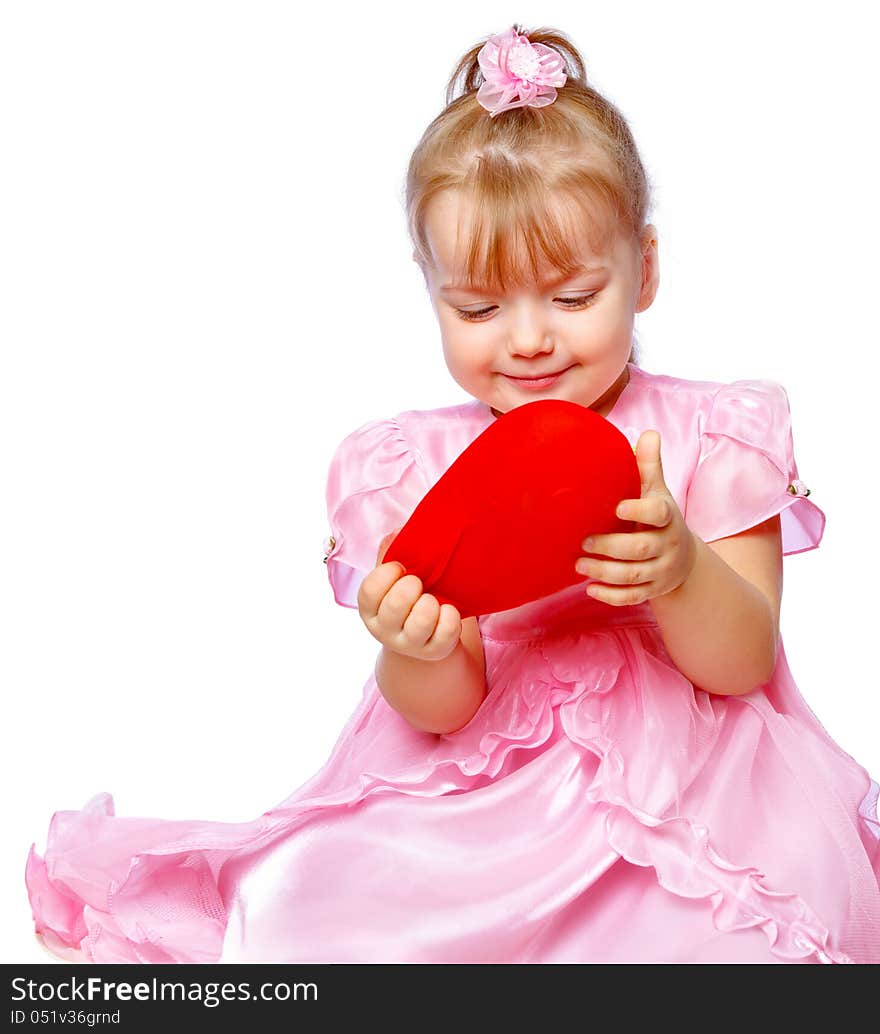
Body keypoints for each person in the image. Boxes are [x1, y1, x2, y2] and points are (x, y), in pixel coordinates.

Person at [25, 23, 880, 965]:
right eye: (478, 307)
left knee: (725, 923)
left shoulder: (714, 432)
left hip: (693, 779)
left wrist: (680, 570)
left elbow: (742, 661)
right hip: (483, 786)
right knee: (326, 899)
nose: (526, 340)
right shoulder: (410, 465)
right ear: (432, 291)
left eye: (571, 296)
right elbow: (437, 710)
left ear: (646, 270)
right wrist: (416, 643)